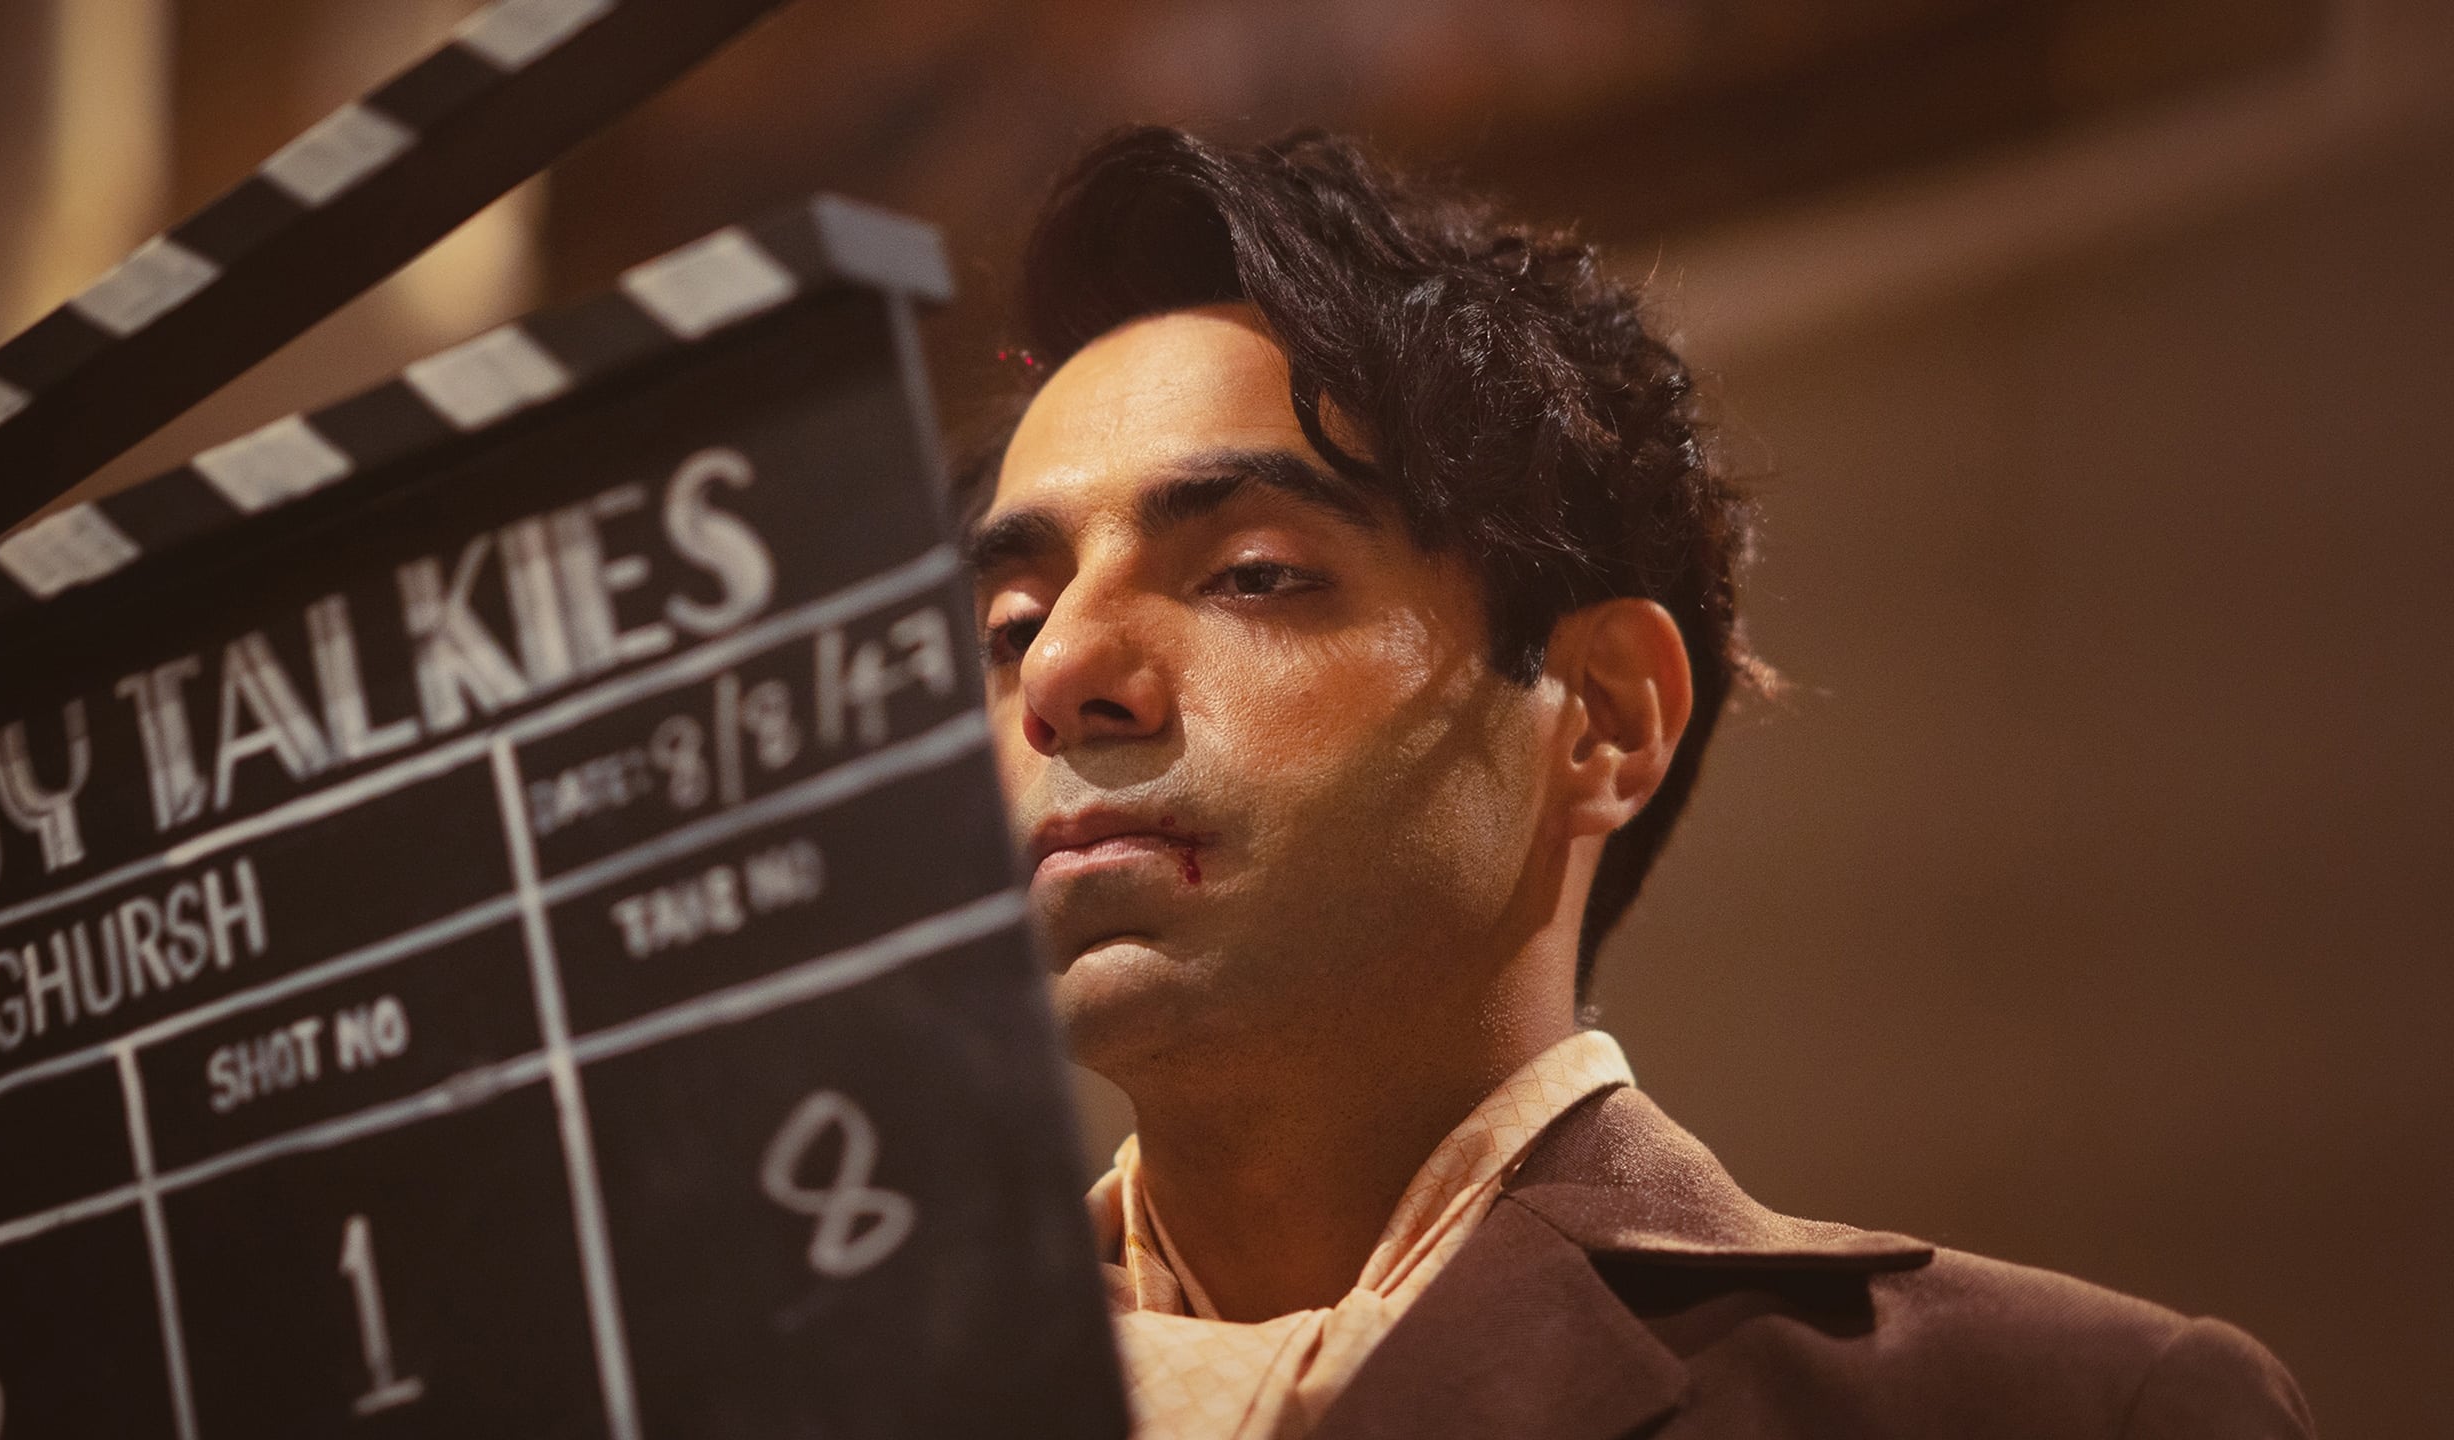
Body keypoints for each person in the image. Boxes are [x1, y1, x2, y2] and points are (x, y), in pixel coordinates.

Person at [957, 127, 2315, 1440]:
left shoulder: (2057, 1411)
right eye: (1013, 622)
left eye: (1252, 574)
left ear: (1604, 714)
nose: (1062, 668)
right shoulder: (860, 1396)